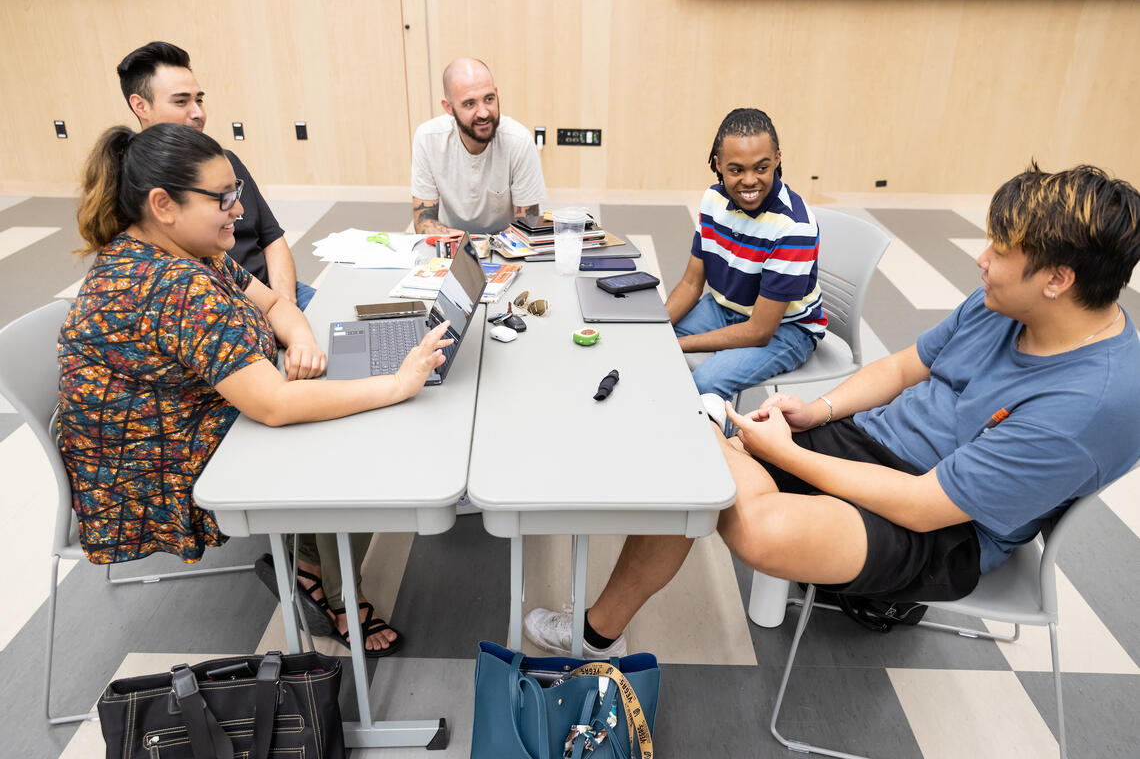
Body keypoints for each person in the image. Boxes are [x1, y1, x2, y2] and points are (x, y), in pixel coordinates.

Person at [524, 163, 1140, 657]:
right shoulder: (1005, 302)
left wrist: (786, 456)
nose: (982, 259)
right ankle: (596, 636)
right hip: (872, 446)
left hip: (946, 528)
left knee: (749, 518)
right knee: (691, 460)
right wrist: (818, 412)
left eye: (1001, 250)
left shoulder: (1090, 405)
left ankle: (600, 623)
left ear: (1057, 279)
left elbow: (926, 505)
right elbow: (903, 367)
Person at [59, 123, 452, 656]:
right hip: (152, 468)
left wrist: (304, 340)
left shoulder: (187, 251)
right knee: (352, 435)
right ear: (163, 204)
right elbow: (272, 405)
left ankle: (312, 564)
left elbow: (271, 304)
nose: (238, 211)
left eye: (236, 193)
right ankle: (338, 593)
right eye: (223, 198)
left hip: (189, 414)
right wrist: (399, 384)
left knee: (337, 398)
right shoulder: (172, 285)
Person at [116, 42, 316, 311]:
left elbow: (272, 238)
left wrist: (285, 304)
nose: (198, 113)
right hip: (214, 311)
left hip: (274, 295)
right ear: (141, 106)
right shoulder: (130, 188)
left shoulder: (223, 162)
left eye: (198, 100)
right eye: (181, 101)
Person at [670, 108, 826, 399]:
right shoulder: (713, 200)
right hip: (725, 308)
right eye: (736, 170)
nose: (750, 180)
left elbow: (759, 332)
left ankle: (723, 444)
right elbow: (691, 284)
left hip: (787, 329)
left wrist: (678, 344)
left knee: (706, 380)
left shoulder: (794, 228)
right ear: (719, 165)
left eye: (761, 168)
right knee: (653, 349)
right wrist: (657, 331)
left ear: (777, 159)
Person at [411, 57, 546, 235]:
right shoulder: (428, 138)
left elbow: (528, 225)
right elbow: (424, 222)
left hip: (507, 249)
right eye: (469, 104)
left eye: (489, 99)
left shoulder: (519, 141)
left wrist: (484, 249)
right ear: (449, 108)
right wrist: (466, 249)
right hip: (448, 245)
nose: (483, 113)